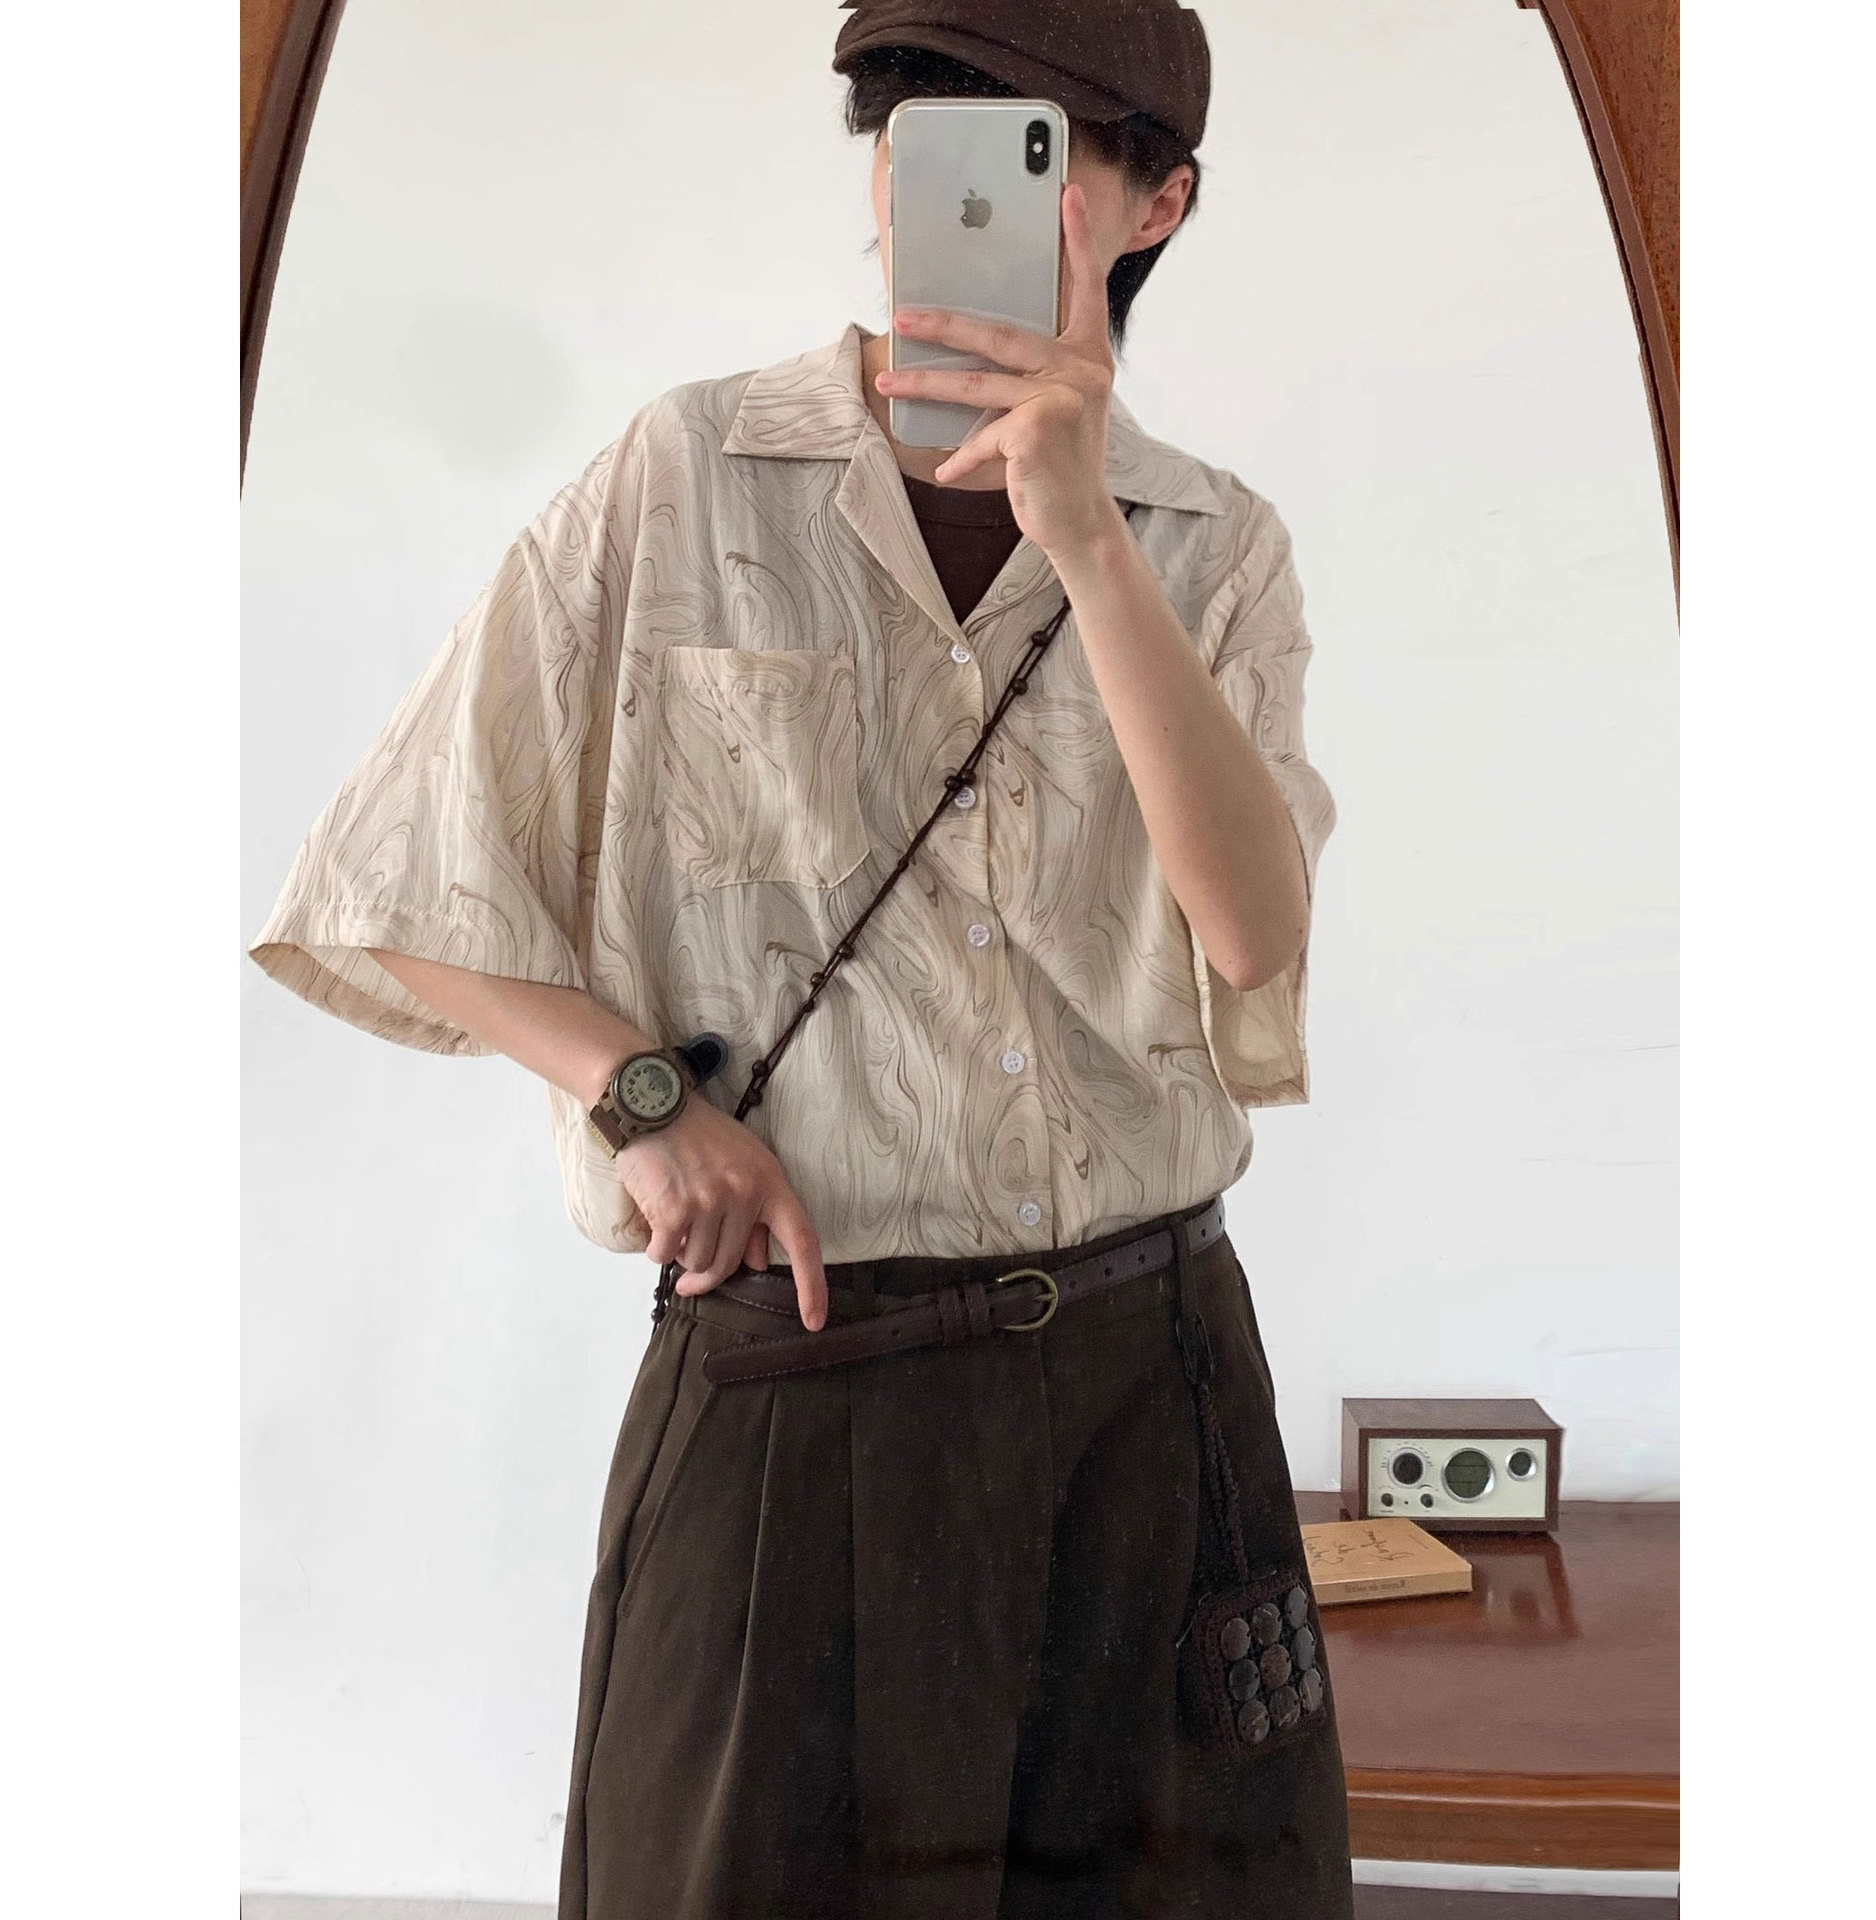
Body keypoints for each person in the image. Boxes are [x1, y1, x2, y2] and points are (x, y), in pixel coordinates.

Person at [248, 2, 1354, 1913]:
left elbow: (1252, 932)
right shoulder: (685, 479)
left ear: (1156, 200)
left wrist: (1090, 541)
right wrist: (641, 1099)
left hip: (1148, 1407)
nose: (945, 196)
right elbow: (396, 868)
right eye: (915, 138)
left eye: (1027, 151)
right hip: (796, 1394)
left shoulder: (1212, 543)